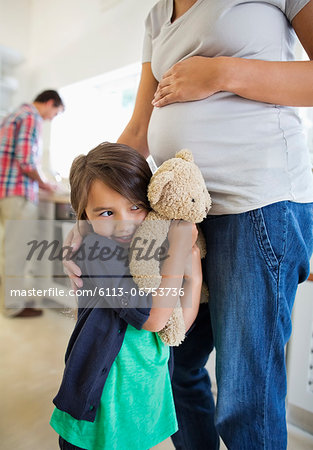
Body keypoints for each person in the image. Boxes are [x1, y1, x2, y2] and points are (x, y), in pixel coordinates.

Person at [65, 1, 313, 448]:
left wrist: (223, 74)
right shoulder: (157, 15)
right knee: (175, 365)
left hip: (255, 206)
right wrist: (83, 217)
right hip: (178, 221)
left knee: (244, 394)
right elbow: (139, 128)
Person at [51, 142, 202, 450]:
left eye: (136, 206)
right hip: (103, 404)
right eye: (106, 212)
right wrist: (178, 253)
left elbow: (175, 328)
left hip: (142, 398)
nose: (125, 222)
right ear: (85, 218)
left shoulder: (153, 250)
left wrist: (194, 275)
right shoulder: (98, 251)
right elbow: (154, 319)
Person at [0, 89, 64, 318]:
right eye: (54, 113)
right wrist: (45, 183)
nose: (50, 119)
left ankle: (10, 298)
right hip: (18, 193)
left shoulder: (13, 114)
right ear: (49, 103)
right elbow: (27, 161)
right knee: (17, 252)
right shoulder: (31, 117)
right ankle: (13, 306)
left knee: (8, 250)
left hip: (5, 193)